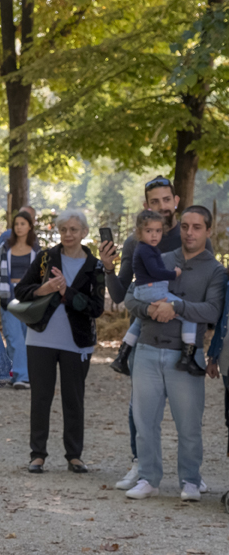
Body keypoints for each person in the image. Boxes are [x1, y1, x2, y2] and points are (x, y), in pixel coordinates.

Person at [122, 206, 222, 501]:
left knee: (189, 425)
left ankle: (191, 480)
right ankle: (148, 478)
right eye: (185, 226)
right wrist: (150, 309)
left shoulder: (215, 270)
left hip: (187, 358)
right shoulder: (159, 258)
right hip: (148, 351)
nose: (189, 232)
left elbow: (213, 310)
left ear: (208, 231)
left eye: (197, 227)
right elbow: (130, 297)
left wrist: (176, 307)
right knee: (144, 422)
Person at [100, 176, 185, 491]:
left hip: (182, 335)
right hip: (147, 336)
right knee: (141, 409)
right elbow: (121, 294)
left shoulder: (190, 234)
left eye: (167, 200)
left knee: (186, 412)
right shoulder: (135, 242)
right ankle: (140, 465)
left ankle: (190, 476)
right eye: (155, 202)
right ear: (146, 206)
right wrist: (108, 267)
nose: (162, 207)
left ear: (175, 201)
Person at [13, 210, 105, 475]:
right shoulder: (46, 257)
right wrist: (45, 289)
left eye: (74, 230)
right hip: (40, 338)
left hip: (77, 342)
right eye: (64, 229)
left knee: (73, 399)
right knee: (40, 398)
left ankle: (74, 455)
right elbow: (21, 291)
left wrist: (67, 291)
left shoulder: (95, 266)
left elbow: (96, 308)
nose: (68, 234)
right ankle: (37, 455)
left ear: (84, 233)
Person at [112, 210, 201, 375]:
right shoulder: (145, 250)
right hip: (151, 290)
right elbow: (155, 271)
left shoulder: (147, 248)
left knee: (138, 322)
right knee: (189, 314)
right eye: (149, 231)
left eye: (158, 231)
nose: (154, 235)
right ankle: (187, 358)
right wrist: (174, 273)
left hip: (145, 290)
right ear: (139, 232)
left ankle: (121, 357)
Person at [0, 210, 38, 388]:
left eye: (23, 224)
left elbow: (43, 274)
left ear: (30, 226)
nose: (19, 227)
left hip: (29, 296)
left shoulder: (36, 250)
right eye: (16, 224)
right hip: (8, 295)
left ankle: (14, 372)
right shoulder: (5, 248)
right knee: (13, 337)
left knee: (27, 336)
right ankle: (21, 376)